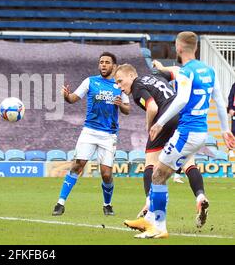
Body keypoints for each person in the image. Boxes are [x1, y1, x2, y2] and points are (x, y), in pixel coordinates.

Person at [125, 31, 235, 239]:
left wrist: (160, 122)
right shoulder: (209, 70)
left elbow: (182, 99)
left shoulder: (186, 71)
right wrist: (224, 129)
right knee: (163, 173)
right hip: (201, 132)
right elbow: (220, 102)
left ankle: (159, 226)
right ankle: (152, 221)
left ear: (178, 47)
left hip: (186, 132)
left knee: (157, 175)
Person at [114, 64, 209, 226]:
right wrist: (163, 67)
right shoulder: (157, 75)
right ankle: (201, 197)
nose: (119, 86)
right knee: (188, 163)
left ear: (131, 75)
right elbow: (178, 70)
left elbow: (152, 108)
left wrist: (150, 126)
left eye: (120, 81)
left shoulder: (137, 86)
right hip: (181, 115)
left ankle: (149, 207)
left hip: (166, 118)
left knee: (150, 163)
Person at [52, 52, 130, 217]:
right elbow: (73, 98)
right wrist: (66, 96)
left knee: (106, 174)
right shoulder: (90, 81)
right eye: (101, 62)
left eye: (107, 62)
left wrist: (120, 105)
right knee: (77, 165)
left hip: (109, 135)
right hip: (89, 131)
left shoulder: (119, 85)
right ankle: (60, 203)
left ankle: (107, 205)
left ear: (114, 66)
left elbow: (127, 109)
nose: (103, 65)